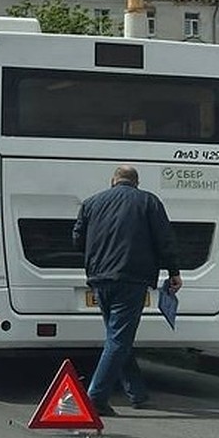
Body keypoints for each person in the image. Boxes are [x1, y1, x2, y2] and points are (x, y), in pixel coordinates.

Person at [72, 165, 181, 417]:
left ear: (113, 181)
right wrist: (173, 271)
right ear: (137, 182)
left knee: (118, 336)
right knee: (119, 339)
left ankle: (137, 394)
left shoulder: (91, 203)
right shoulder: (149, 202)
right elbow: (165, 239)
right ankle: (95, 398)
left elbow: (77, 240)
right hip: (132, 279)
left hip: (99, 279)